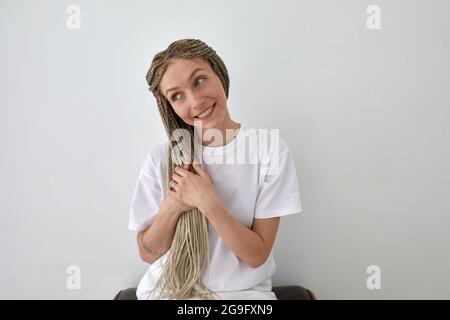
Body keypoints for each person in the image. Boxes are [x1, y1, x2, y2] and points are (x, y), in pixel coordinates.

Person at [129, 39, 303, 300]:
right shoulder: (161, 158)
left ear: (219, 73)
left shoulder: (269, 151)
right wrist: (174, 204)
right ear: (170, 107)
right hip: (168, 294)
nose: (195, 101)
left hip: (242, 297)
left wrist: (207, 202)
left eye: (199, 81)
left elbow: (256, 255)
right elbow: (147, 252)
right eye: (177, 96)